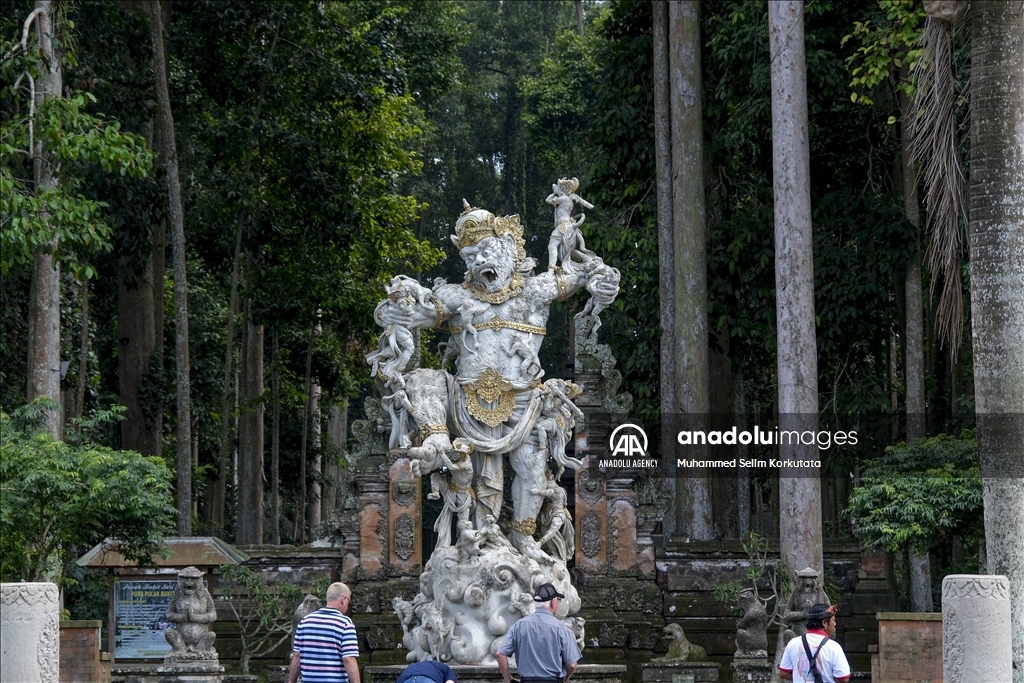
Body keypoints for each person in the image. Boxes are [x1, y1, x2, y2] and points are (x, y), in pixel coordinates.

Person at [497, 583, 582, 683]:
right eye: (558, 601)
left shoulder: (519, 625)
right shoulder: (561, 628)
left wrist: (509, 679)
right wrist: (566, 678)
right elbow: (572, 665)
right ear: (553, 603)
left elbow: (500, 654)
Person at [289, 582, 360, 683]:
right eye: (349, 601)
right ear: (343, 600)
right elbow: (348, 659)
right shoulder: (344, 623)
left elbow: (297, 656)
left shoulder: (305, 622)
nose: (348, 606)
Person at [779, 603, 850, 683]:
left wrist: (804, 677)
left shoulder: (793, 643)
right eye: (834, 620)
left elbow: (783, 673)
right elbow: (843, 678)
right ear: (824, 623)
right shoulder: (834, 647)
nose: (835, 624)